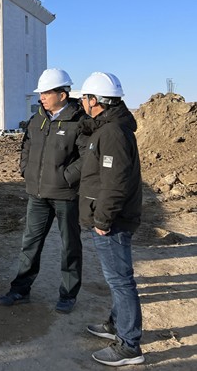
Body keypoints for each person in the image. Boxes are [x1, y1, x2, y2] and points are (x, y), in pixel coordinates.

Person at [0, 68, 87, 314]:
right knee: (30, 244)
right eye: (41, 93)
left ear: (62, 94)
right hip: (37, 195)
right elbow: (26, 145)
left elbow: (88, 157)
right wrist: (25, 169)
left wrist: (66, 177)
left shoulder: (79, 121)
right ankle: (20, 290)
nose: (42, 97)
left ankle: (68, 294)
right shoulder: (37, 119)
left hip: (66, 195)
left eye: (46, 93)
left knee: (70, 246)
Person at [78, 72, 145, 366]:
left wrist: (103, 219)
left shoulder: (113, 133)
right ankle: (116, 325)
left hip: (112, 221)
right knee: (117, 278)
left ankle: (129, 346)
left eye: (84, 98)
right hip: (110, 217)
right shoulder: (108, 128)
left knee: (120, 281)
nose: (82, 102)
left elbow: (115, 182)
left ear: (94, 100)